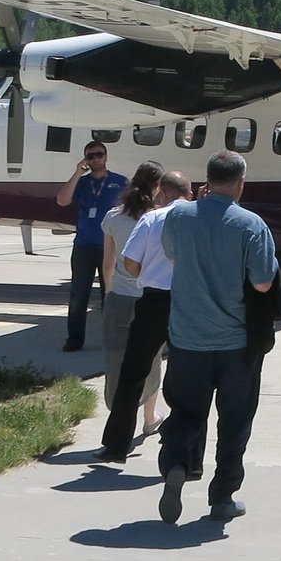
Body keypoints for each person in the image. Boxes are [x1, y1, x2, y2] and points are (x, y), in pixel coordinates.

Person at [157, 150, 278, 524]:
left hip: (187, 338)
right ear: (241, 182)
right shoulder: (251, 225)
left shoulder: (179, 215)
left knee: (186, 412)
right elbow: (262, 281)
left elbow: (171, 255)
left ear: (206, 181)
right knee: (234, 422)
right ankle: (222, 498)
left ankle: (177, 465)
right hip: (235, 345)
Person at [95, 169, 195, 464]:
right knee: (188, 372)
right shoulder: (197, 219)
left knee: (132, 373)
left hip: (153, 301)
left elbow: (129, 262)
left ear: (161, 193)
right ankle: (183, 444)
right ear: (188, 193)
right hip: (188, 301)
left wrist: (146, 276)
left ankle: (117, 444)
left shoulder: (152, 219)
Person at [99, 160, 164, 438]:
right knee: (151, 359)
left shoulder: (114, 217)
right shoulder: (158, 218)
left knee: (116, 359)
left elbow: (108, 264)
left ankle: (118, 416)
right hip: (149, 298)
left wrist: (109, 294)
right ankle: (149, 417)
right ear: (157, 187)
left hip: (120, 297)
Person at [55, 141, 127, 352]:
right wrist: (77, 173)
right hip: (84, 246)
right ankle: (74, 339)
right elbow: (62, 200)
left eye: (99, 154)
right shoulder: (83, 183)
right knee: (79, 294)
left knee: (110, 294)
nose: (96, 159)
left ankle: (111, 339)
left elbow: (131, 209)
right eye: (91, 156)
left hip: (109, 246)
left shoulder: (120, 182)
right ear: (86, 159)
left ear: (106, 156)